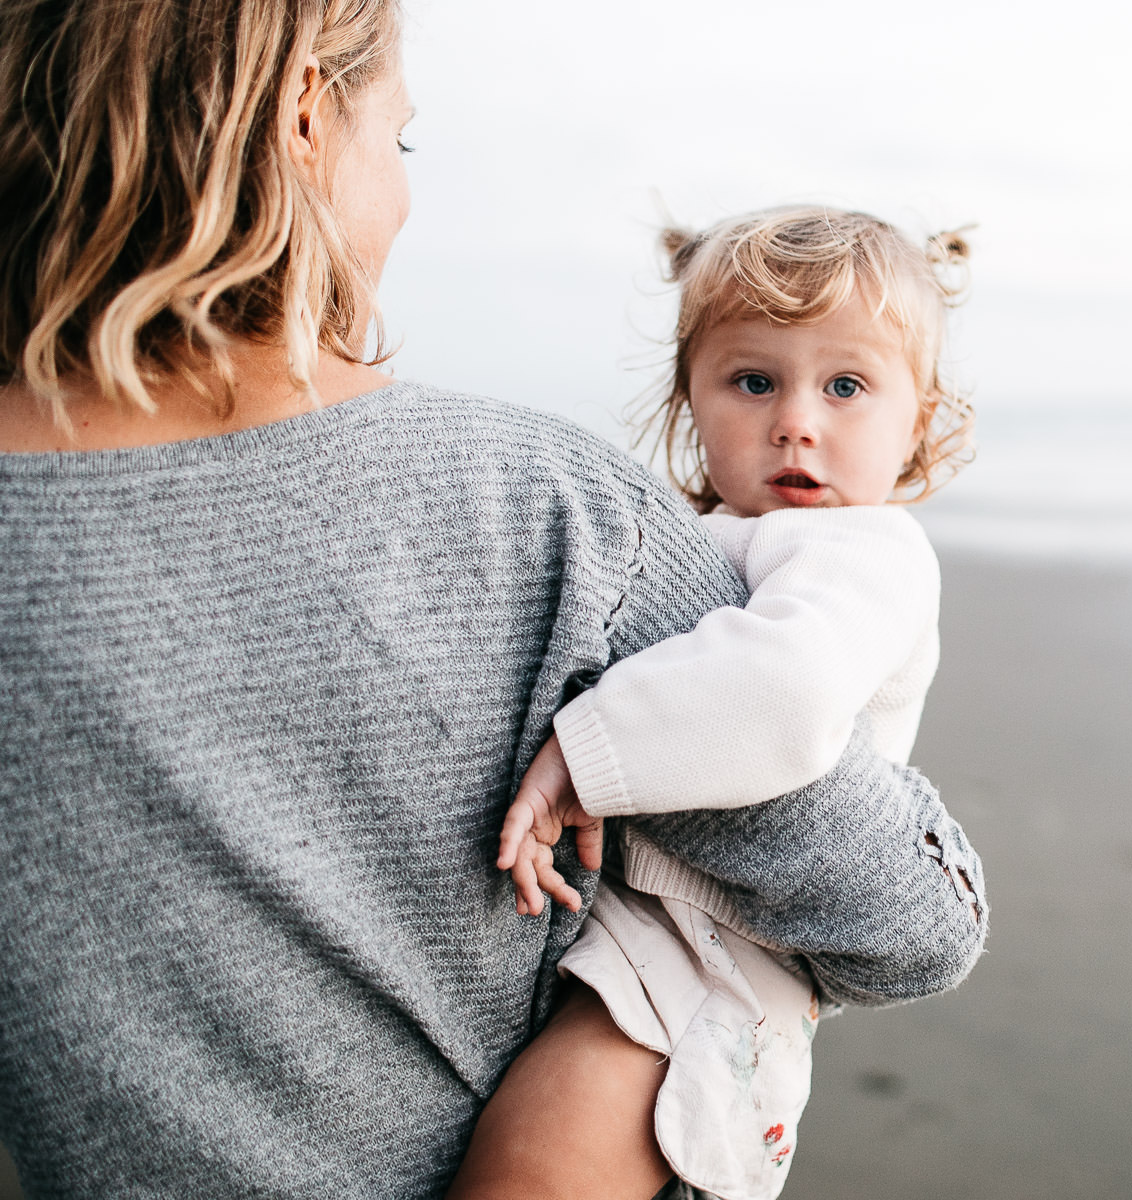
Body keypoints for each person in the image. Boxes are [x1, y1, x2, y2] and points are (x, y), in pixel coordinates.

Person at [0, 4, 987, 1199]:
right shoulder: (543, 516)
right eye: (401, 143)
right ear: (305, 115)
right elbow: (912, 921)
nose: (796, 421)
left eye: (844, 385)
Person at [475, 208, 977, 1200]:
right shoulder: (722, 534)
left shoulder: (865, 551)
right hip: (653, 918)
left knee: (531, 1169)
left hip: (710, 961)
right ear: (689, 403)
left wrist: (586, 753)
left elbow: (782, 690)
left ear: (917, 417)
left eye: (846, 386)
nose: (797, 419)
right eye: (754, 382)